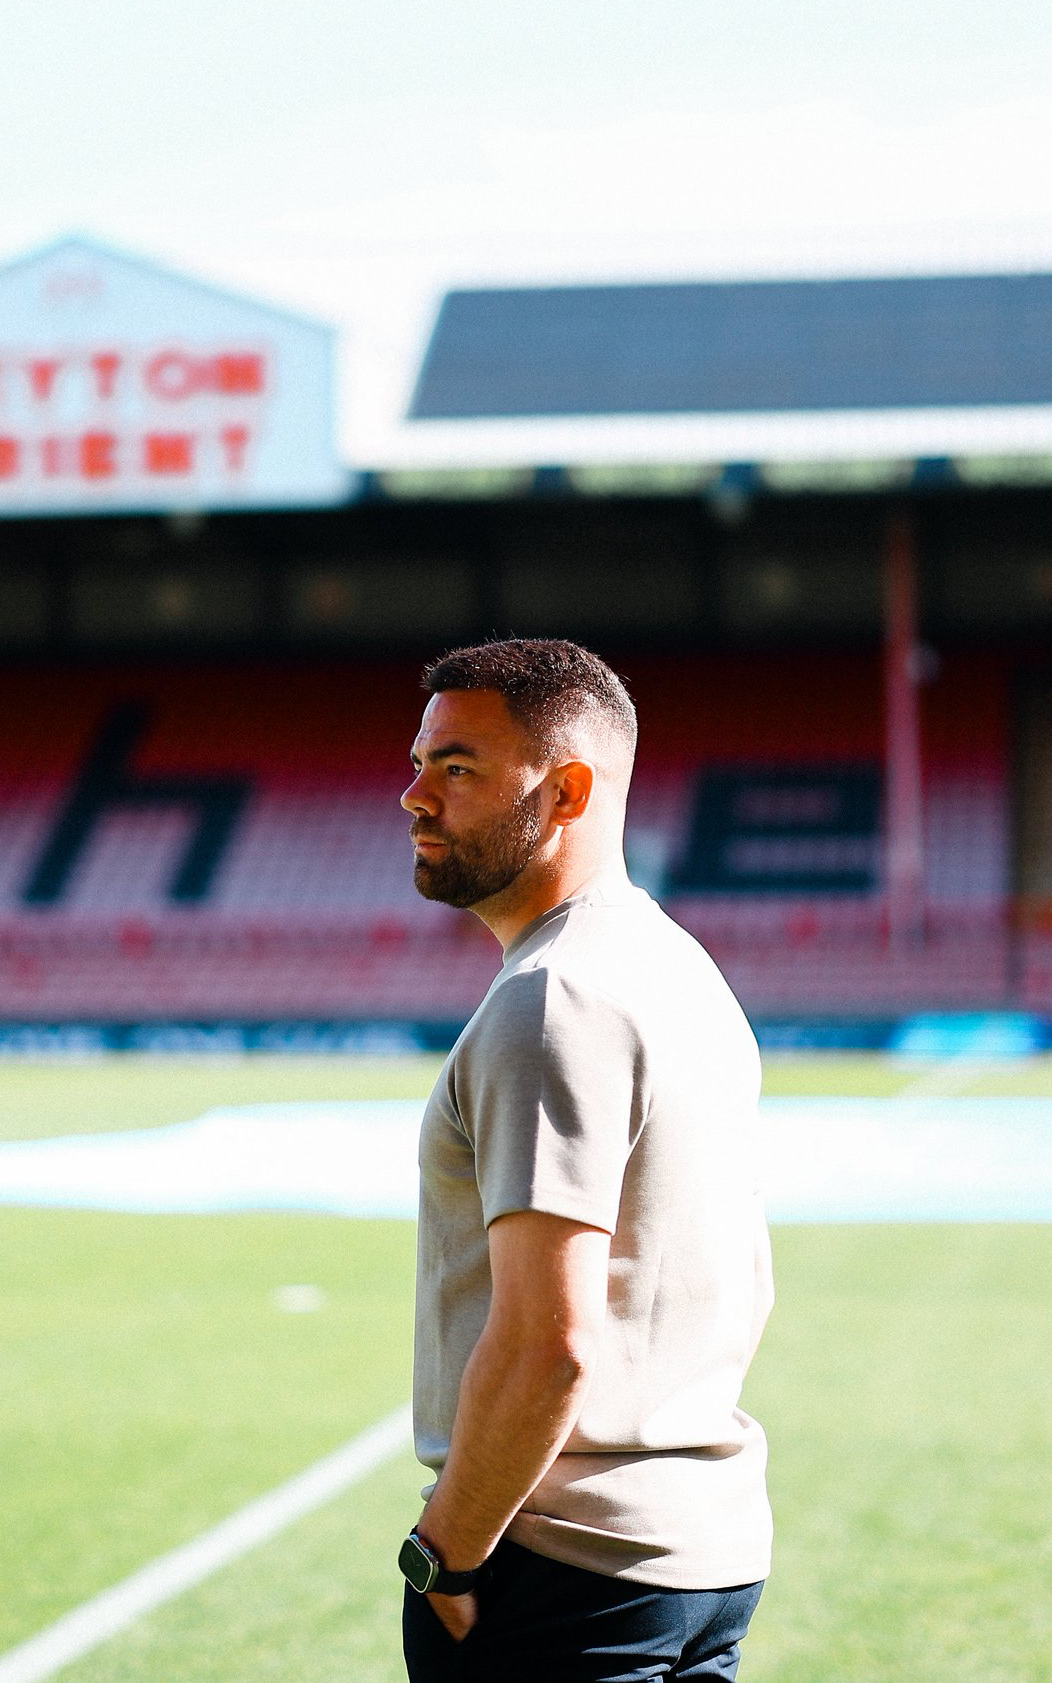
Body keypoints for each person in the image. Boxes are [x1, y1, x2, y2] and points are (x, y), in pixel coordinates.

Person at [396, 640, 772, 1682]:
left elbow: (548, 1344)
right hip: (703, 1555)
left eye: (456, 767)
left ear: (565, 791)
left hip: (562, 1570)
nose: (413, 796)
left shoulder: (554, 997)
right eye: (421, 761)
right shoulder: (680, 969)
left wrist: (444, 1559)